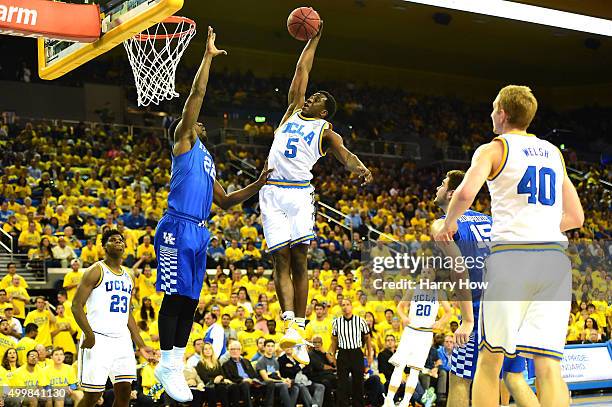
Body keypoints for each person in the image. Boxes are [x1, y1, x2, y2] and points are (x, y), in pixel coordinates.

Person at [435, 85, 584, 406]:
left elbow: (463, 195)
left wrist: (448, 224)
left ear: (502, 113)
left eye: (493, 109)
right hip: (555, 261)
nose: (491, 114)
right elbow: (576, 216)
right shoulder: (553, 153)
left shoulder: (493, 149)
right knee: (548, 366)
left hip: (513, 258)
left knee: (491, 360)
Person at [152, 27, 272, 403]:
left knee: (189, 301)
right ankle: (166, 361)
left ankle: (173, 361)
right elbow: (197, 94)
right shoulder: (185, 142)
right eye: (196, 119)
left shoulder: (208, 159)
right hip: (176, 227)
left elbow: (226, 201)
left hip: (200, 232)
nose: (201, 121)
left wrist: (258, 183)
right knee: (173, 299)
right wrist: (206, 57)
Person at [261, 21, 372, 365]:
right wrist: (315, 38)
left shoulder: (326, 130)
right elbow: (301, 70)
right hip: (271, 192)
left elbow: (345, 155)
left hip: (298, 194)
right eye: (312, 94)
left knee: (299, 259)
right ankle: (291, 329)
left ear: (324, 112)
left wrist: (360, 168)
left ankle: (301, 323)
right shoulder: (292, 111)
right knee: (278, 259)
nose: (311, 97)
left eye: (318, 99)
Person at [71, 229, 155, 407]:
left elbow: (128, 313)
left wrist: (140, 344)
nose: (118, 242)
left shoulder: (129, 275)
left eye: (121, 240)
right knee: (93, 396)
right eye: (112, 239)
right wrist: (89, 335)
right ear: (103, 246)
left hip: (122, 341)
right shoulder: (95, 270)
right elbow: (76, 305)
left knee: (125, 392)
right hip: (98, 338)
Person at [383, 268, 451, 407]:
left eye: (429, 273)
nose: (426, 275)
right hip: (410, 331)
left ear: (433, 277)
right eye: (424, 272)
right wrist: (403, 317)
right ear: (421, 275)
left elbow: (449, 311)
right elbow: (400, 307)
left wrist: (441, 322)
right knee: (399, 367)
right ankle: (388, 400)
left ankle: (405, 402)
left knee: (414, 371)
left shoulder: (439, 292)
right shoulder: (413, 289)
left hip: (425, 334)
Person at [330, 298, 373, 407]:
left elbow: (367, 337)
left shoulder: (360, 321)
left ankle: (358, 405)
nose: (345, 307)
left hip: (356, 353)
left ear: (351, 306)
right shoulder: (336, 322)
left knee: (358, 382)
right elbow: (334, 340)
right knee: (342, 384)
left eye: (347, 304)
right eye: (343, 305)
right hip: (343, 354)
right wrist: (333, 356)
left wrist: (369, 355)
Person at [222, 340, 272, 407]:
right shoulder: (226, 364)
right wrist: (243, 379)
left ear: (240, 351)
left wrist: (255, 380)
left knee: (270, 383)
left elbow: (253, 374)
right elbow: (230, 377)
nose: (235, 351)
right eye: (232, 349)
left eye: (237, 349)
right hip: (240, 384)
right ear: (229, 351)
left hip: (252, 382)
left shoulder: (246, 361)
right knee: (245, 384)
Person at [255, 339, 299, 407]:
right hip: (266, 385)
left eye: (272, 346)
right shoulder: (261, 361)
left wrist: (285, 380)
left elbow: (278, 376)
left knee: (295, 387)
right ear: (264, 347)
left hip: (276, 382)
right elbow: (266, 379)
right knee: (283, 385)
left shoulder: (275, 361)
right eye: (268, 346)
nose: (270, 348)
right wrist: (282, 381)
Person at [194, 342, 231, 407]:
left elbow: (223, 375)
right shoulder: (200, 364)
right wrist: (214, 380)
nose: (208, 351)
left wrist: (220, 377)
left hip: (219, 384)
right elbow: (204, 378)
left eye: (210, 349)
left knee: (223, 387)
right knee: (212, 390)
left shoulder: (216, 362)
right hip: (208, 385)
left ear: (212, 350)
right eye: (205, 349)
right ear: (202, 351)